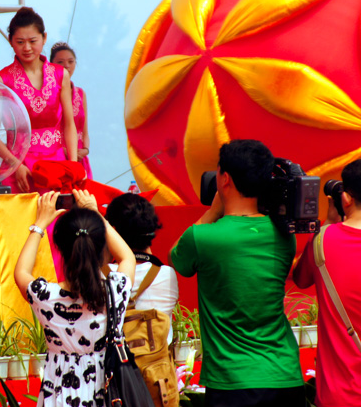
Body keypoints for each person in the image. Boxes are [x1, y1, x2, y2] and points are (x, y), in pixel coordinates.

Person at [169, 139, 304, 407]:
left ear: (225, 179)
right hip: (285, 376)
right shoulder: (283, 235)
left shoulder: (203, 237)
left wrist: (213, 211)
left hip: (232, 382)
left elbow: (176, 257)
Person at [15, 189, 136, 407]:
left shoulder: (46, 297)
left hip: (59, 395)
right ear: (101, 247)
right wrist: (96, 214)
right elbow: (127, 257)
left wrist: (39, 224)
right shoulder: (114, 291)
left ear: (60, 248)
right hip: (107, 392)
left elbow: (21, 272)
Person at [293, 159, 361, 407]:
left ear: (346, 198)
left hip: (339, 396)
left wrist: (329, 223)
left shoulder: (322, 241)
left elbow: (300, 278)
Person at [0, 7, 77, 194]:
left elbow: (69, 124)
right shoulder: (2, 80)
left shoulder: (60, 75)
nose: (27, 48)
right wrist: (16, 165)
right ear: (10, 41)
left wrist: (73, 166)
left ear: (44, 38)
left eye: (32, 41)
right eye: (20, 42)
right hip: (18, 168)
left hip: (56, 166)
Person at [105, 192, 179, 343]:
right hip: (157, 358)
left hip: (115, 358)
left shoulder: (101, 275)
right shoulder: (167, 274)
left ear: (112, 232)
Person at [50, 42, 91, 178]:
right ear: (51, 65)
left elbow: (84, 130)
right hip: (57, 155)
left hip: (80, 157)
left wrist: (85, 150)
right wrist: (66, 151)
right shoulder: (49, 93)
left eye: (70, 61)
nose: (66, 65)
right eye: (60, 62)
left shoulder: (80, 93)